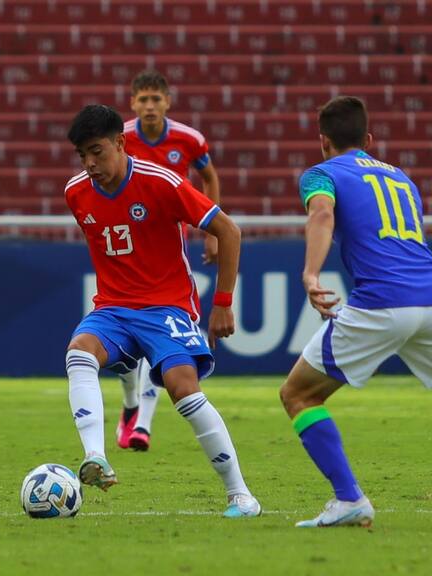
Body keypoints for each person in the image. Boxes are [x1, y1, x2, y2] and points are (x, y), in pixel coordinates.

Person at [64, 104, 261, 517]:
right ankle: (96, 456)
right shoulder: (76, 192)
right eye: (83, 155)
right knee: (79, 351)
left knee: (182, 387)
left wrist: (222, 303)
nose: (90, 163)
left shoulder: (163, 182)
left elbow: (229, 230)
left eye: (97, 151)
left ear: (120, 142)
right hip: (114, 307)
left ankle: (241, 494)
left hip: (166, 306)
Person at [279, 96, 432, 527]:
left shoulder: (321, 174)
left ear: (322, 141)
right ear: (368, 139)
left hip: (382, 303)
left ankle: (349, 499)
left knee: (298, 394)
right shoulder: (402, 178)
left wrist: (311, 274)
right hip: (429, 297)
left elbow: (323, 213)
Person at [116, 69, 222, 452]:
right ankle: (130, 407)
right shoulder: (121, 137)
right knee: (124, 347)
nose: (148, 106)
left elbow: (210, 179)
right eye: (142, 99)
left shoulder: (188, 140)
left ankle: (142, 424)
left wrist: (209, 231)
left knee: (158, 331)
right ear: (132, 103)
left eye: (155, 99)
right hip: (125, 248)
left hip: (167, 249)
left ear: (167, 102)